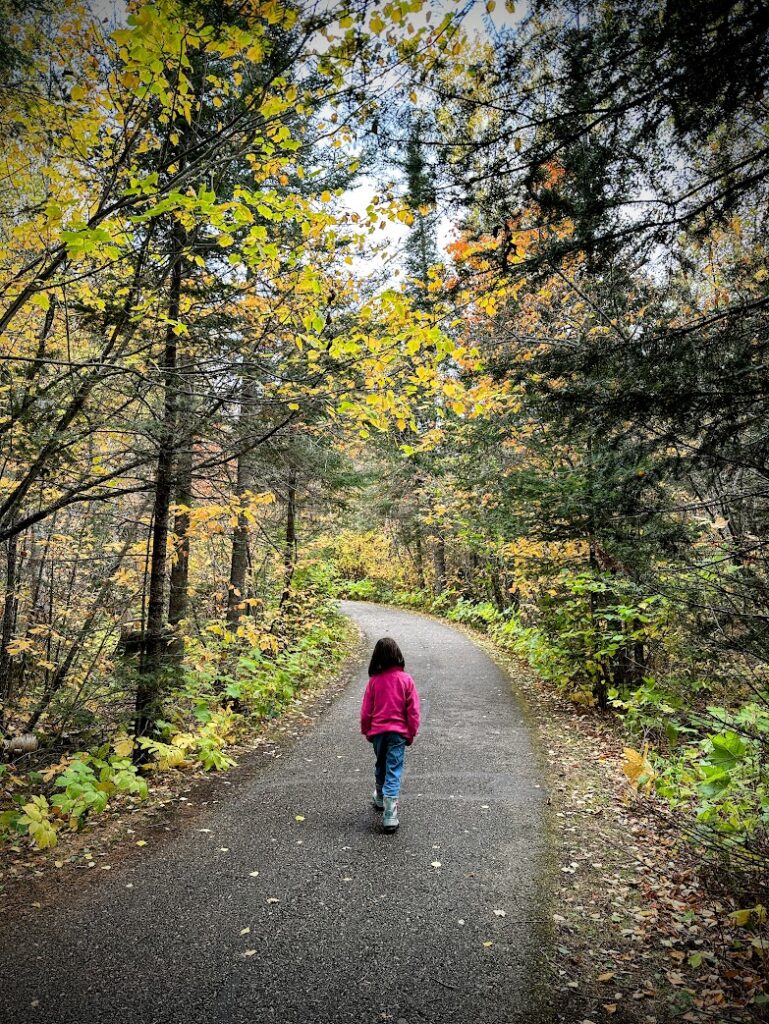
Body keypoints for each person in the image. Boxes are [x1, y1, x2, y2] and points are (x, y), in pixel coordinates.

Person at [360, 637, 421, 832]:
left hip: (378, 733)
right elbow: (413, 711)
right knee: (393, 769)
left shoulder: (374, 682)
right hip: (398, 734)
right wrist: (411, 732)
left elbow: (366, 711)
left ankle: (379, 797)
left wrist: (367, 730)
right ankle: (390, 813)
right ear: (398, 656)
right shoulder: (406, 680)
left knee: (381, 764)